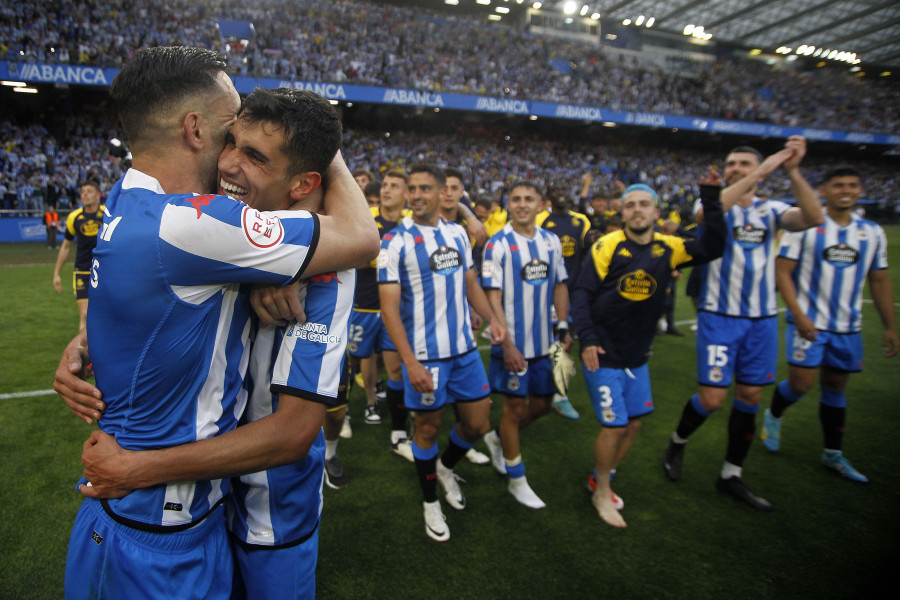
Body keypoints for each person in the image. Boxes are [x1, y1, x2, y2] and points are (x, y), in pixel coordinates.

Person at [56, 47, 378, 600]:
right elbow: (362, 238)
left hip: (189, 520)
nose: (232, 158)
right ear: (195, 129)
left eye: (251, 151)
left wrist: (92, 338)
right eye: (231, 133)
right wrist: (332, 147)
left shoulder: (129, 194)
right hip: (154, 535)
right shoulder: (195, 226)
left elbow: (152, 290)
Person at [662, 137, 824, 511]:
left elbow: (814, 218)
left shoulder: (772, 210)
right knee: (712, 398)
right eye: (731, 164)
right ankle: (678, 441)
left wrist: (794, 170)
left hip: (761, 321)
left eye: (744, 165)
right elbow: (706, 213)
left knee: (750, 397)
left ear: (757, 173)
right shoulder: (718, 207)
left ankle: (730, 475)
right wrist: (768, 165)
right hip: (720, 317)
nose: (735, 168)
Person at [572, 178, 726, 528]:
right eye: (630, 205)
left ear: (657, 212)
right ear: (621, 212)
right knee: (614, 425)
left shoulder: (669, 246)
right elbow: (581, 294)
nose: (637, 210)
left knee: (634, 424)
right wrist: (588, 339)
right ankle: (602, 492)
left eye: (644, 204)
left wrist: (712, 199)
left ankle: (601, 475)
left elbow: (714, 245)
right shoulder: (607, 246)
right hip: (604, 350)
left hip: (638, 353)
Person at [378, 164, 505, 542]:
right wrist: (410, 361)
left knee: (478, 423)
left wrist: (492, 317)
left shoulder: (457, 235)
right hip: (426, 358)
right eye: (411, 189)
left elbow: (471, 283)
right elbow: (389, 309)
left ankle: (447, 467)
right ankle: (430, 501)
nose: (416, 195)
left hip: (465, 351)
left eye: (424, 189)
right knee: (428, 428)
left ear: (440, 193)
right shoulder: (395, 242)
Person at [760, 166, 898, 482]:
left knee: (836, 386)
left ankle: (833, 454)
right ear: (824, 191)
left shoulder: (873, 232)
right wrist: (799, 314)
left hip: (848, 326)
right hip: (808, 323)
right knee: (801, 385)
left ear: (860, 190)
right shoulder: (807, 226)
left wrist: (890, 326)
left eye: (852, 184)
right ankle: (774, 414)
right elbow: (782, 272)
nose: (845, 190)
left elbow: (879, 279)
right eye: (838, 185)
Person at [481, 181, 571, 508]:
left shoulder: (551, 242)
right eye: (515, 199)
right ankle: (517, 480)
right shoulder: (498, 245)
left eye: (528, 199)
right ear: (508, 204)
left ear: (541, 204)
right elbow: (492, 297)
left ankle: (496, 438)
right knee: (514, 408)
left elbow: (560, 285)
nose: (521, 204)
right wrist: (507, 344)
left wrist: (563, 325)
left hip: (544, 345)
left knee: (543, 405)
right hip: (513, 344)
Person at [347, 168, 412, 454]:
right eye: (385, 185)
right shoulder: (365, 217)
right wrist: (372, 258)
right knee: (352, 361)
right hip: (362, 302)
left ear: (406, 194)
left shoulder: (409, 225)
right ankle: (346, 411)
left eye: (394, 186)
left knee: (394, 364)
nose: (386, 190)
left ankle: (391, 422)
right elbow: (347, 255)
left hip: (394, 308)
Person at [536, 182, 591, 420]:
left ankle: (560, 395)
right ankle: (537, 389)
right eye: (556, 191)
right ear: (548, 198)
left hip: (573, 292)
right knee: (541, 344)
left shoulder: (582, 221)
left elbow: (589, 252)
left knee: (565, 342)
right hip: (544, 293)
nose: (561, 193)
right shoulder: (541, 221)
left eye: (563, 190)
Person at [52, 180, 103, 331]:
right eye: (83, 192)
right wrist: (56, 273)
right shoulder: (74, 217)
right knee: (85, 314)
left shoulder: (107, 214)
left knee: (105, 314)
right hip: (82, 270)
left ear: (98, 195)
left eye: (89, 191)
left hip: (105, 271)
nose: (85, 194)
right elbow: (66, 246)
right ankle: (85, 351)